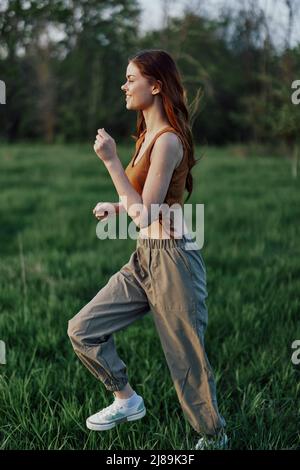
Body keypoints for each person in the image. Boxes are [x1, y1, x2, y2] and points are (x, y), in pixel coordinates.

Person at [67, 49, 228, 450]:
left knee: (186, 360)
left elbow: (146, 214)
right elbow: (143, 206)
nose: (124, 85)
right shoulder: (147, 135)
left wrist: (111, 163)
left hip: (175, 260)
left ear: (155, 86)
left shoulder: (169, 141)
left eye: (131, 78)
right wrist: (117, 205)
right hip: (145, 258)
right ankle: (126, 398)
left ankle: (214, 436)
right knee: (83, 329)